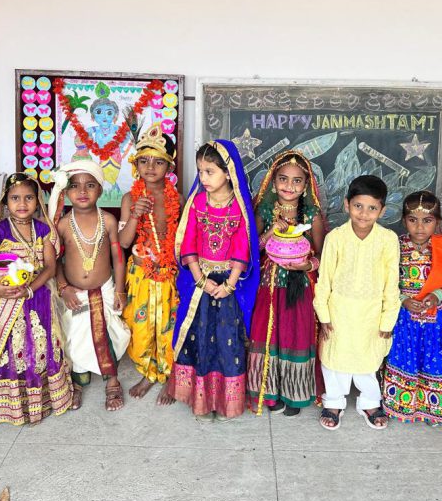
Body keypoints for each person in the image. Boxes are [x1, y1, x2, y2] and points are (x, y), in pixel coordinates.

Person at [169, 140, 260, 421]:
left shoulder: (239, 207)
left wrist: (229, 285)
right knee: (198, 339)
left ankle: (223, 401)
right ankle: (201, 401)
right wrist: (200, 280)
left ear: (228, 173)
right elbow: (189, 243)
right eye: (200, 171)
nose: (203, 178)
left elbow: (242, 248)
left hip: (228, 287)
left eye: (210, 171)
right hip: (201, 283)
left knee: (225, 341)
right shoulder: (198, 202)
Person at [0, 173, 73, 425]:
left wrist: (30, 289)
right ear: (5, 202)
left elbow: (50, 267)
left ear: (37, 200)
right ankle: (14, 406)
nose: (22, 203)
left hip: (39, 297)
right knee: (13, 348)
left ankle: (42, 401)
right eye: (15, 198)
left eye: (29, 198)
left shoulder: (43, 229)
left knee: (40, 346)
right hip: (8, 300)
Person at [314, 175, 399, 431]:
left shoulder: (388, 239)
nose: (364, 213)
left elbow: (391, 282)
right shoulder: (336, 238)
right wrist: (324, 315)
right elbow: (324, 279)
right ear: (346, 204)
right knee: (334, 359)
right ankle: (334, 402)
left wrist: (387, 320)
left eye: (372, 208)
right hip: (339, 311)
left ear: (382, 210)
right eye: (358, 206)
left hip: (371, 313)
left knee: (368, 360)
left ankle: (370, 402)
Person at [246, 151, 325, 416]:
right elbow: (252, 250)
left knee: (295, 335)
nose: (289, 186)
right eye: (283, 179)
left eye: (296, 181)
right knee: (268, 334)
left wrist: (307, 266)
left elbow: (322, 255)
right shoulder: (264, 210)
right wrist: (272, 231)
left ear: (306, 185)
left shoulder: (312, 215)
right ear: (273, 181)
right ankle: (269, 392)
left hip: (299, 285)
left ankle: (295, 394)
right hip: (269, 284)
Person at [50, 161, 130, 411]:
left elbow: (118, 256)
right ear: (66, 192)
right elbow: (55, 260)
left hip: (104, 289)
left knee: (110, 334)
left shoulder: (108, 221)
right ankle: (78, 381)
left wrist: (120, 289)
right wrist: (63, 287)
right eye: (75, 186)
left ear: (100, 190)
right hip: (74, 293)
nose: (82, 191)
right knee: (75, 337)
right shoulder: (63, 224)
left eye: (90, 185)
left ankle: (112, 380)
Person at [119, 124, 182, 405]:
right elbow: (124, 241)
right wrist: (135, 215)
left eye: (158, 162)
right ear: (136, 165)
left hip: (169, 273)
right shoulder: (130, 198)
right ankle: (147, 372)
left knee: (169, 326)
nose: (150, 167)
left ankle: (169, 376)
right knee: (143, 327)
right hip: (141, 274)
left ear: (169, 166)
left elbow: (182, 241)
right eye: (143, 161)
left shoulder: (178, 199)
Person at [383, 192, 442, 426]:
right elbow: (386, 279)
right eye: (413, 220)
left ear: (438, 221)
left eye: (427, 220)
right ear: (404, 220)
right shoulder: (396, 245)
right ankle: (401, 405)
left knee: (432, 358)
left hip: (434, 317)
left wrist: (436, 296)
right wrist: (403, 298)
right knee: (404, 356)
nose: (420, 227)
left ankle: (432, 408)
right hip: (404, 316)